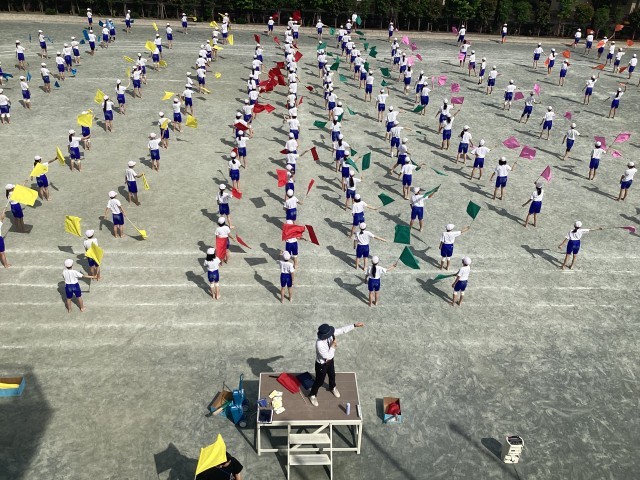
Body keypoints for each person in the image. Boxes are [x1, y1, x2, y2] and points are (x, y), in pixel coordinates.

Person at [309, 322, 364, 406]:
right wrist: (333, 346)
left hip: (330, 361)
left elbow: (342, 330)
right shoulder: (319, 344)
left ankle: (332, 387)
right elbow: (327, 356)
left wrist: (354, 325)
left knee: (332, 375)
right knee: (319, 381)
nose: (332, 334)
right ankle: (312, 395)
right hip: (322, 364)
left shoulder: (330, 334)